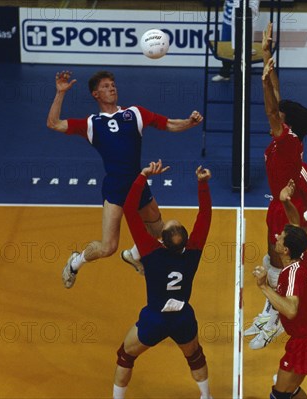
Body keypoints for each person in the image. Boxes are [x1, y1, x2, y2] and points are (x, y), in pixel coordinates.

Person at [46, 70, 203, 288]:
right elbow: (53, 123)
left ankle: (133, 254)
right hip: (116, 190)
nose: (112, 88)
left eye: (113, 85)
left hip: (138, 185)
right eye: (105, 86)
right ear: (95, 94)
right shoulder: (92, 124)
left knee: (161, 233)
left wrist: (189, 122)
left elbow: (167, 123)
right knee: (108, 247)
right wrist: (60, 93)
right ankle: (75, 262)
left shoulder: (134, 113)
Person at [246, 23, 307, 350]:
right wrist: (267, 57)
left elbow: (270, 107)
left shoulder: (289, 141)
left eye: (278, 117)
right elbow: (278, 100)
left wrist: (262, 80)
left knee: (281, 261)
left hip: (285, 204)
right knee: (271, 255)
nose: (274, 118)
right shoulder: (289, 129)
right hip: (276, 203)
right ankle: (274, 309)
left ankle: (277, 316)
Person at [113, 160, 213, 399]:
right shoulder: (193, 251)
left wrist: (143, 176)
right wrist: (202, 184)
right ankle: (206, 396)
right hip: (182, 318)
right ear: (186, 240)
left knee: (126, 356)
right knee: (195, 356)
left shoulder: (150, 251)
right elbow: (205, 215)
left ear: (161, 241)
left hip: (155, 319)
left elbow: (129, 208)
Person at [251, 217, 307, 398]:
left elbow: (291, 310)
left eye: (280, 238)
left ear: (285, 250)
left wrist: (264, 287)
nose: (276, 237)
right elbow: (295, 224)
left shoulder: (291, 275)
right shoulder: (302, 255)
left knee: (279, 394)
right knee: (290, 392)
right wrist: (286, 202)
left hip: (305, 341)